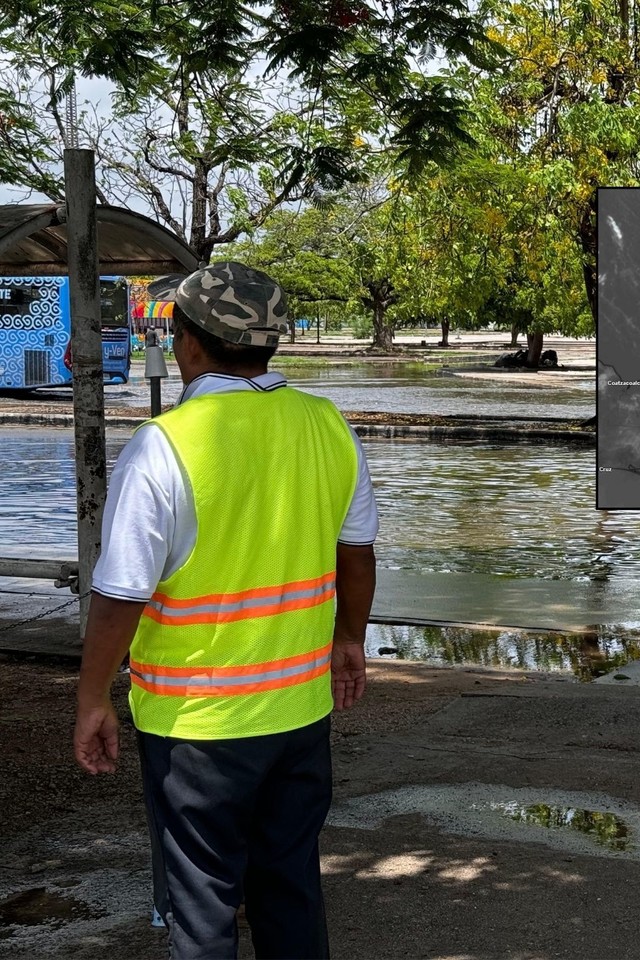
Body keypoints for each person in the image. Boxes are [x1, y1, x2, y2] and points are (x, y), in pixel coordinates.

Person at [73, 261, 379, 958]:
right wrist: (350, 640)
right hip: (300, 715)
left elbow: (122, 591)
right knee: (289, 887)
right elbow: (355, 551)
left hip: (196, 728)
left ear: (186, 342)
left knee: (202, 903)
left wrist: (93, 697)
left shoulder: (165, 444)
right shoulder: (327, 424)